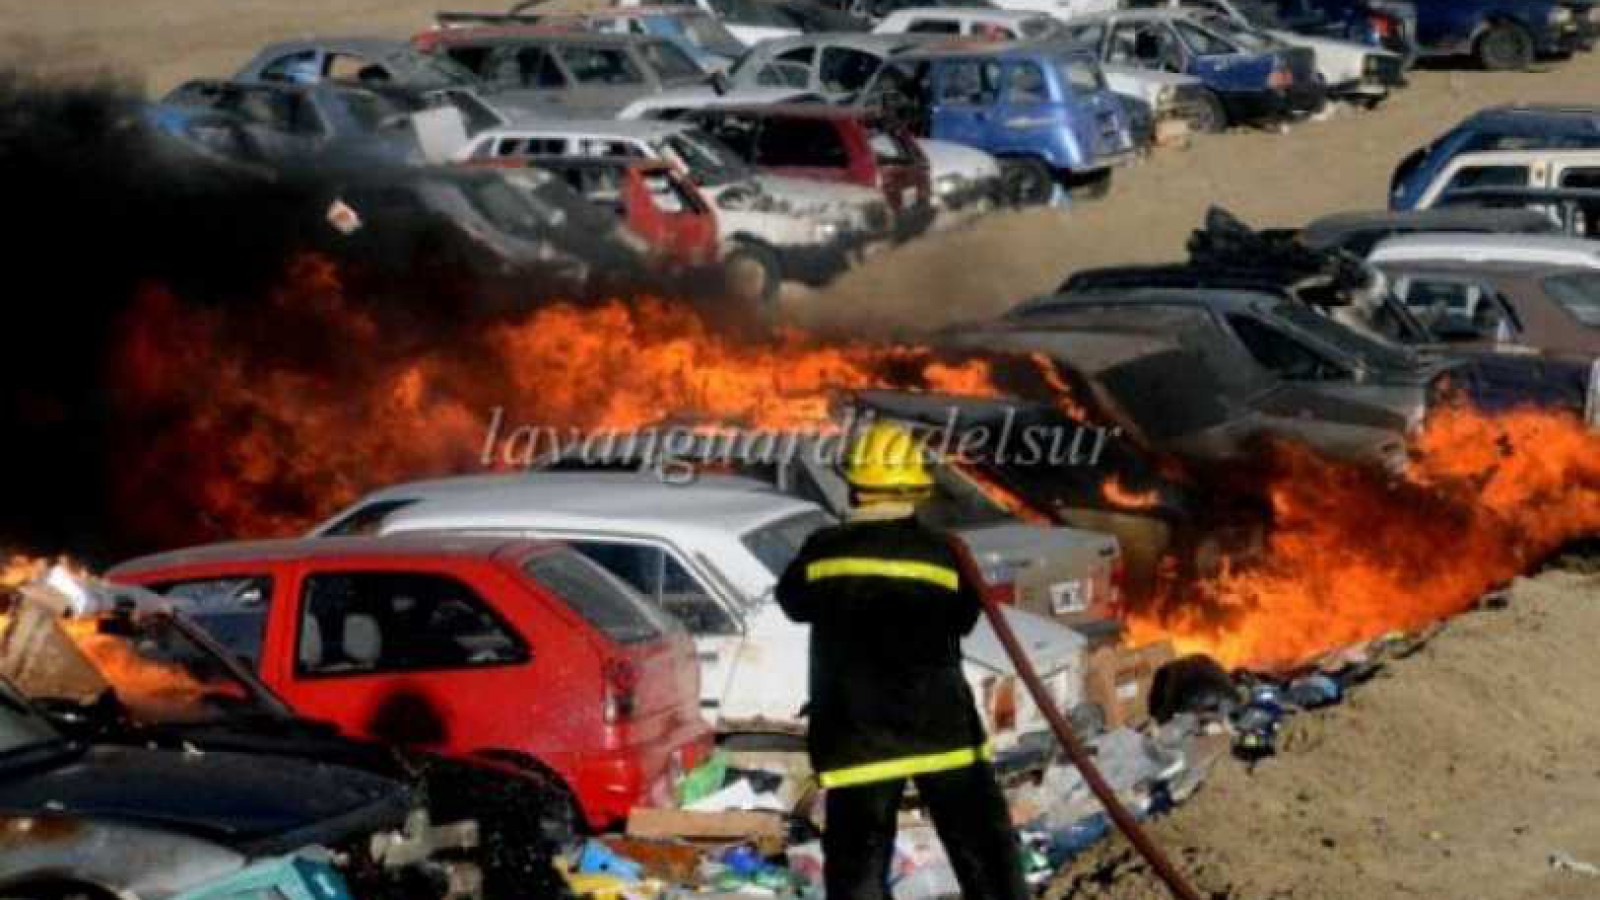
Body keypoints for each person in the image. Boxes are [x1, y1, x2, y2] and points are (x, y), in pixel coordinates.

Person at [776, 422, 1028, 900]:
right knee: (984, 852)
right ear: (918, 489)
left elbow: (793, 604)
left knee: (858, 865)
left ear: (853, 486)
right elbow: (963, 619)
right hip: (941, 731)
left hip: (857, 740)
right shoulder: (942, 553)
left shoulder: (821, 551)